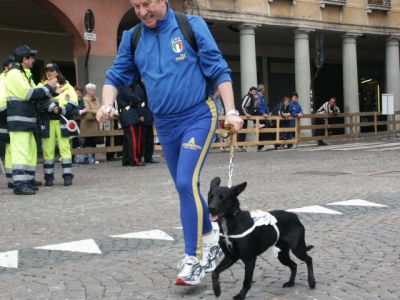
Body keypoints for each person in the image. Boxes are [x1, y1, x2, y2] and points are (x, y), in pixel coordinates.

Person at [96, 0, 243, 286]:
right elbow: (115, 76)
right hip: (164, 122)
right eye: (136, 6)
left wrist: (232, 110)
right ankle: (212, 241)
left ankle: (194, 259)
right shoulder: (133, 37)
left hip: (199, 115)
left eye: (147, 3)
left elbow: (218, 69)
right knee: (185, 186)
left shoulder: (191, 26)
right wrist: (106, 103)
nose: (142, 11)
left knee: (185, 182)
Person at [4, 45, 63, 195]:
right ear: (25, 59)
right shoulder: (14, 74)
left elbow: (36, 96)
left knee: (28, 151)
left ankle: (26, 181)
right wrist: (48, 87)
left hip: (26, 119)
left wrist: (51, 92)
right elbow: (28, 94)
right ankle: (19, 184)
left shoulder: (23, 74)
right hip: (19, 120)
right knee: (20, 152)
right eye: (31, 57)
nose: (34, 60)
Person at [39, 63, 87, 187]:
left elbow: (73, 103)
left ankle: (67, 176)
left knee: (65, 149)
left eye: (51, 70)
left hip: (62, 120)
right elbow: (38, 102)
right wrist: (53, 108)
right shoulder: (41, 85)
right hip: (48, 121)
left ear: (57, 72)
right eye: (47, 71)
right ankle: (48, 178)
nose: (49, 73)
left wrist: (60, 110)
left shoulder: (67, 86)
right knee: (48, 151)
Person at [116, 85, 146, 167]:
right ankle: (134, 160)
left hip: (126, 114)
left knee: (127, 140)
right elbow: (135, 98)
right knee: (133, 139)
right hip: (129, 116)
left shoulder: (121, 87)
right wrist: (133, 102)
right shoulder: (122, 87)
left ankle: (126, 159)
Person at [134, 81, 159, 164]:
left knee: (149, 139)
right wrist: (141, 114)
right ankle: (139, 156)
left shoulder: (148, 87)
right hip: (143, 116)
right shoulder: (138, 87)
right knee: (141, 139)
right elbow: (138, 102)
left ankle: (148, 156)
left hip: (149, 115)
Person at [1, 55, 15, 188]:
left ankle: (12, 178)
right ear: (6, 67)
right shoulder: (4, 79)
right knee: (10, 149)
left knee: (11, 149)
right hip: (5, 117)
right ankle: (12, 179)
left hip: (10, 116)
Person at [241, 86, 268, 152]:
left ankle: (256, 124)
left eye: (255, 92)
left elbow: (255, 106)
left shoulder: (254, 98)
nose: (254, 93)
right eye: (253, 91)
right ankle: (240, 146)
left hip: (250, 115)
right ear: (250, 91)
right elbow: (243, 106)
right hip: (243, 115)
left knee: (244, 130)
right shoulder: (248, 97)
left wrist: (256, 100)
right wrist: (246, 113)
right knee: (242, 130)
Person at [81, 83, 101, 159]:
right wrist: (98, 111)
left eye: (93, 90)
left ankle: (92, 157)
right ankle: (86, 157)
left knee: (93, 141)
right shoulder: (85, 99)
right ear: (87, 91)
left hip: (95, 123)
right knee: (88, 141)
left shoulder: (96, 99)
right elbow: (88, 109)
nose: (92, 92)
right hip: (88, 123)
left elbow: (100, 107)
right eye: (90, 90)